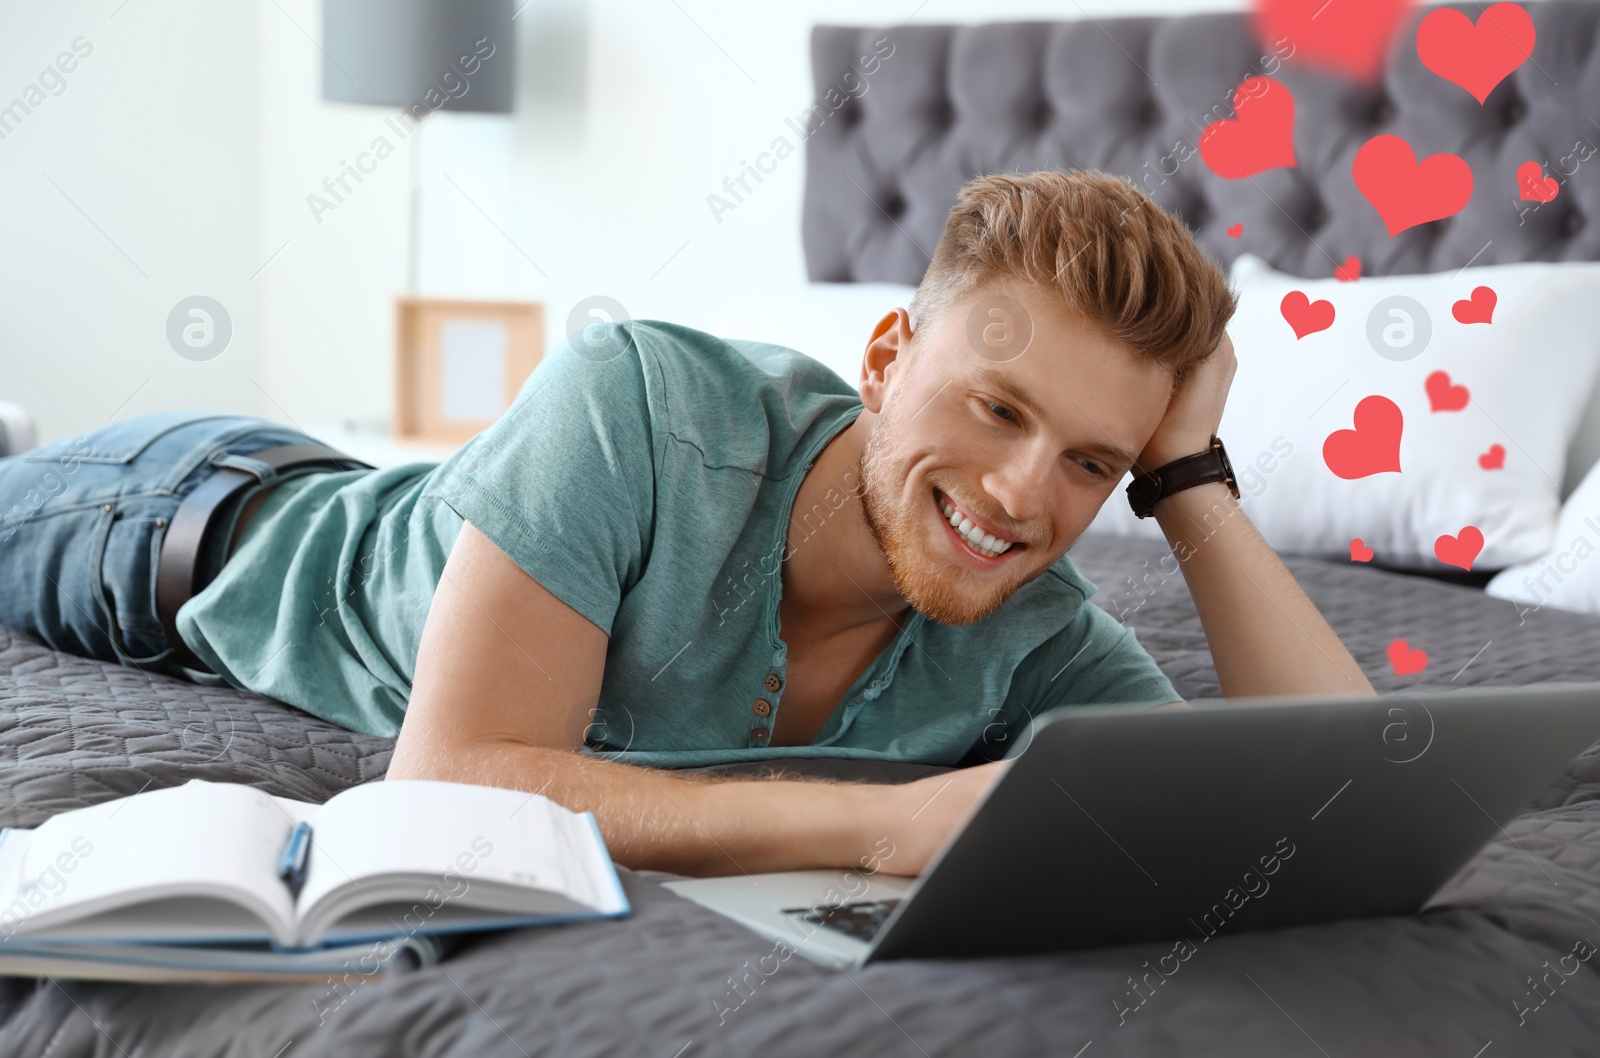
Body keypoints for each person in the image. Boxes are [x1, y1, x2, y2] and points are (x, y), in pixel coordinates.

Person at [0, 169, 1373, 880]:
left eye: (1090, 459)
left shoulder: (1037, 634)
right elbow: (446, 781)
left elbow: (1336, 809)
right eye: (997, 408)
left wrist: (1186, 479)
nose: (1022, 498)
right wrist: (879, 828)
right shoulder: (642, 402)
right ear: (887, 355)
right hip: (176, 523)